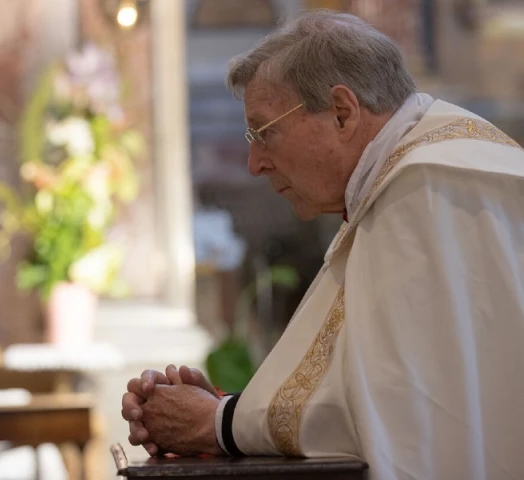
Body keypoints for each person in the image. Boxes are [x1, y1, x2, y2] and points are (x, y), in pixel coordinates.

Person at [121, 10, 524, 480]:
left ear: (342, 112)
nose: (254, 163)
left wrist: (218, 423)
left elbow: (406, 417)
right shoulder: (446, 164)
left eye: (264, 132)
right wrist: (232, 410)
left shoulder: (423, 189)